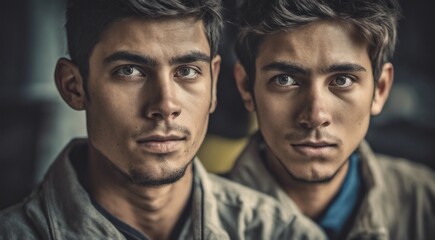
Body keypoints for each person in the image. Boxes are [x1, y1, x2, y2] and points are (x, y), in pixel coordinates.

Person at [0, 0, 326, 239]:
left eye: (186, 72)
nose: (165, 104)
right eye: (129, 71)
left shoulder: (281, 233)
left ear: (213, 83)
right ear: (74, 87)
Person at [229, 0, 435, 239]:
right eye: (284, 80)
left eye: (342, 80)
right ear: (246, 87)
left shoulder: (426, 203)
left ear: (380, 89)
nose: (315, 116)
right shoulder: (197, 220)